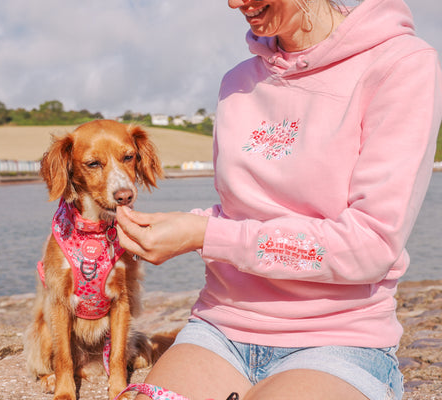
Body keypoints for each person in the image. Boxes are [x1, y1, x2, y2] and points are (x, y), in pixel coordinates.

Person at [116, 0, 442, 399]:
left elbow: (372, 245)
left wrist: (206, 234)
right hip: (219, 330)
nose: (235, 2)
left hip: (338, 342)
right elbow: (240, 215)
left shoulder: (401, 64)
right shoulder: (236, 82)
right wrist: (182, 225)